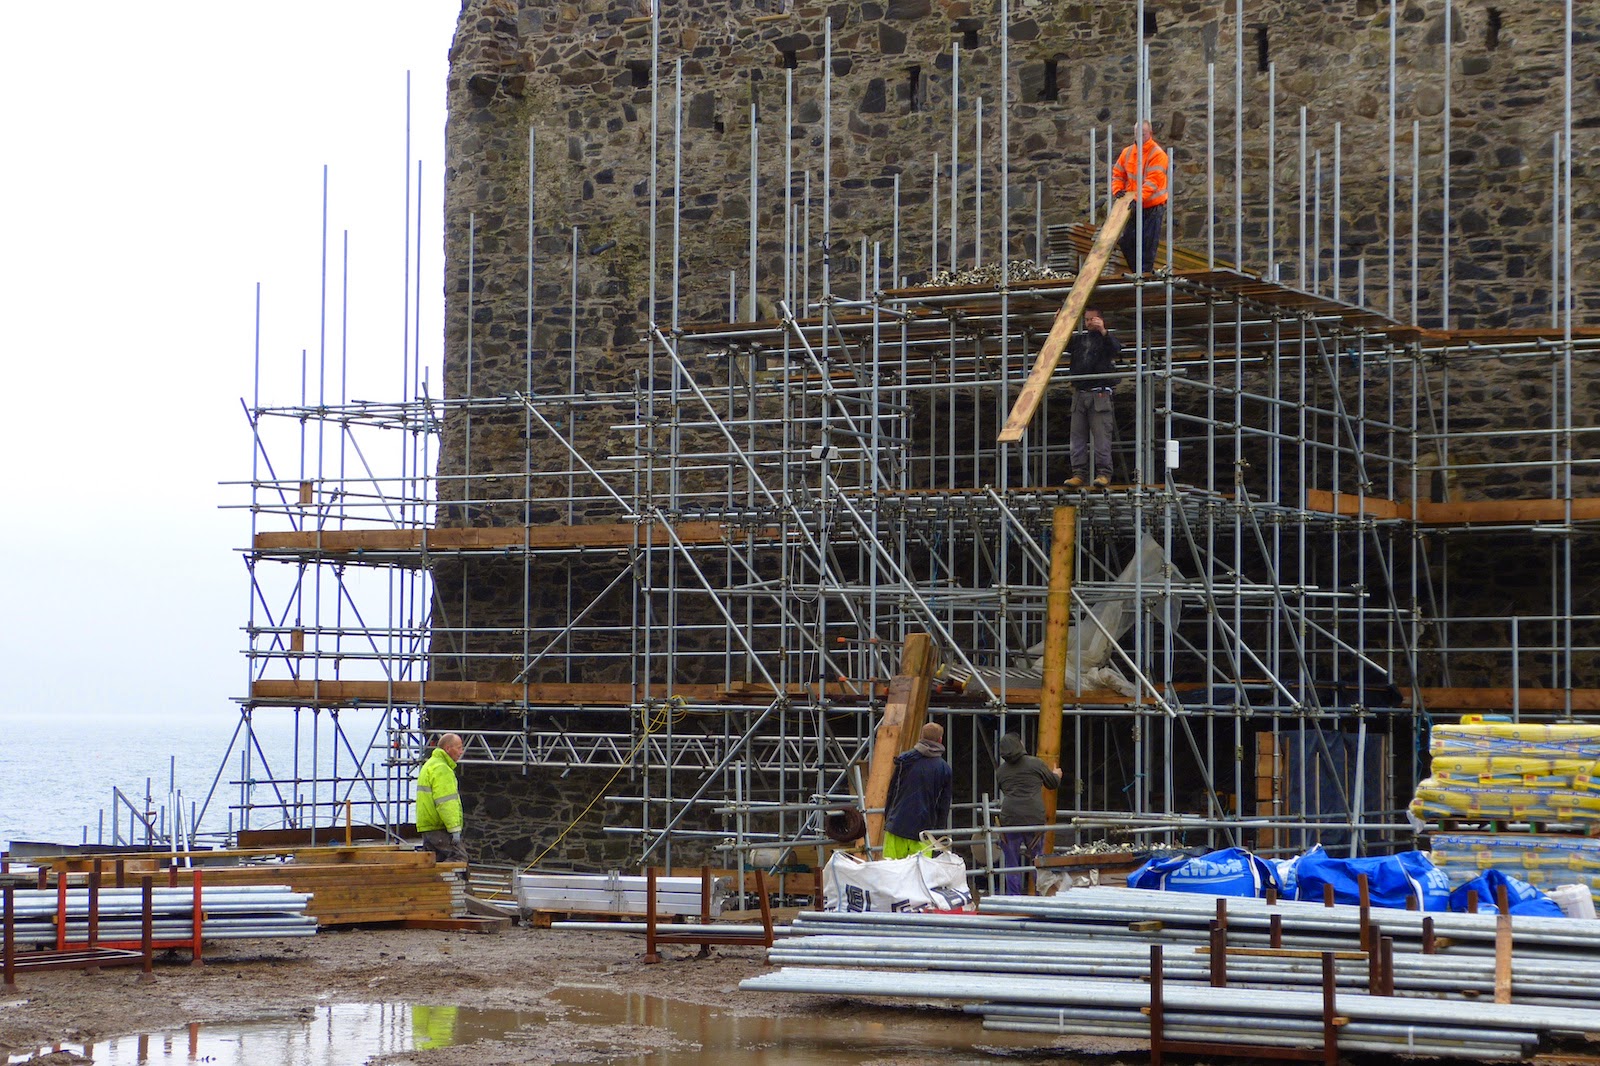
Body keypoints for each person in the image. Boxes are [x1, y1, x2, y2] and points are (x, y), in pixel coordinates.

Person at [995, 734, 1062, 895]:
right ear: (1020, 745)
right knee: (1037, 860)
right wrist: (1057, 775)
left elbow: (1003, 788)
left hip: (1009, 817)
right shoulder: (1035, 764)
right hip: (1034, 817)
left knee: (1012, 862)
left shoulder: (1001, 771)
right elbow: (1052, 784)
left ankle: (1014, 900)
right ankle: (1040, 897)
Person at [1063, 307, 1121, 489]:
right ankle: (1079, 473)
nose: (1090, 323)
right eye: (1087, 320)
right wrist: (1061, 323)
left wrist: (1103, 330)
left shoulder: (1106, 340)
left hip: (1099, 393)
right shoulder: (1079, 341)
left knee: (1102, 437)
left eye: (1093, 319)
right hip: (1080, 393)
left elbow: (1116, 349)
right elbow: (1060, 343)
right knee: (1077, 437)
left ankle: (1104, 473)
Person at [883, 722, 953, 859]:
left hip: (897, 826)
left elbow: (892, 792)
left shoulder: (905, 761)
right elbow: (943, 805)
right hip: (924, 832)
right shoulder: (944, 768)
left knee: (892, 873)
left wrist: (889, 819)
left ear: (921, 737)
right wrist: (938, 833)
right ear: (940, 740)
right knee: (920, 875)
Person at [1111, 119, 1169, 275]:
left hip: (1152, 207)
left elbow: (1152, 181)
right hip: (1135, 206)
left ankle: (1144, 275)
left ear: (1150, 133)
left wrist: (1138, 198)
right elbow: (1118, 173)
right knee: (1127, 242)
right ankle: (1139, 274)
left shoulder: (1157, 154)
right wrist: (1117, 190)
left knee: (1147, 246)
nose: (1140, 136)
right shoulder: (1128, 152)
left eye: (1143, 133)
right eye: (1137, 133)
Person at [416, 732, 468, 865]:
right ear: (448, 748)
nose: (461, 752)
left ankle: (432, 885)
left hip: (428, 827)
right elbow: (446, 802)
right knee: (459, 859)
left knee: (433, 862)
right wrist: (454, 829)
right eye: (459, 748)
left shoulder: (430, 765)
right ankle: (454, 886)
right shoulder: (442, 769)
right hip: (438, 827)